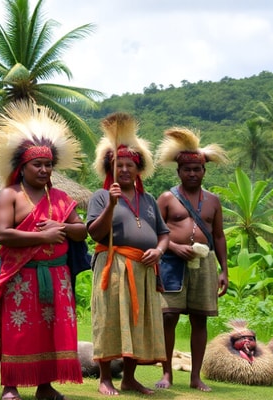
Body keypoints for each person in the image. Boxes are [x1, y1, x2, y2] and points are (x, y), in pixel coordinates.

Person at [0, 100, 86, 400]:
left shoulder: (61, 197)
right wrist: (43, 237)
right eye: (37, 165)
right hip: (20, 277)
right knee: (19, 333)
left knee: (50, 334)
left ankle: (45, 386)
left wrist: (62, 228)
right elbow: (2, 234)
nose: (43, 169)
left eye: (48, 164)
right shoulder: (9, 195)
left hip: (57, 277)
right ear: (23, 167)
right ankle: (11, 386)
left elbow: (82, 230)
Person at [86, 112, 170, 396]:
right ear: (111, 168)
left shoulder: (148, 200)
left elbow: (164, 234)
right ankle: (105, 378)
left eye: (129, 165)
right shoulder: (100, 196)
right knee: (109, 320)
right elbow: (95, 233)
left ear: (138, 169)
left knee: (137, 322)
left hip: (143, 269)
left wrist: (159, 251)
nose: (124, 170)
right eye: (118, 165)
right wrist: (111, 204)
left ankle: (130, 378)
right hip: (113, 266)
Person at [154, 127, 229, 392]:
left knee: (200, 319)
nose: (192, 174)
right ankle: (167, 374)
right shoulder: (166, 198)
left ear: (204, 171)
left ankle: (196, 377)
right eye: (187, 170)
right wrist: (173, 246)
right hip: (172, 264)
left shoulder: (213, 201)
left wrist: (224, 271)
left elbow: (219, 236)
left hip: (205, 264)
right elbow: (155, 232)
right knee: (169, 317)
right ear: (179, 172)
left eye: (197, 169)